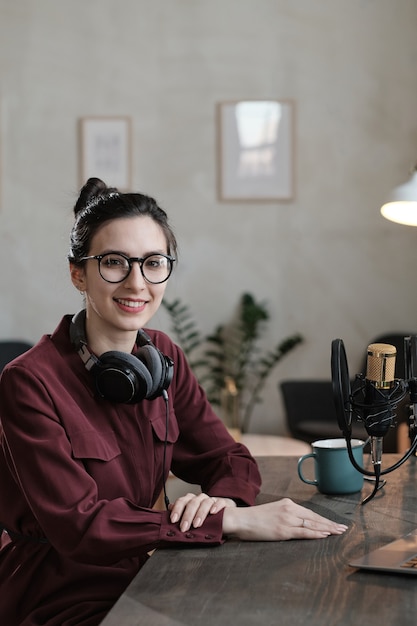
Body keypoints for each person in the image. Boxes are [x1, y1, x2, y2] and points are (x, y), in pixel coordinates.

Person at [0, 178, 347, 626]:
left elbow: (228, 458)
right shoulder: (28, 381)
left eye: (152, 263)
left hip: (149, 571)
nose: (136, 282)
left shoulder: (162, 357)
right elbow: (79, 525)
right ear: (77, 273)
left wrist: (220, 503)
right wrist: (232, 523)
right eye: (113, 263)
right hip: (59, 593)